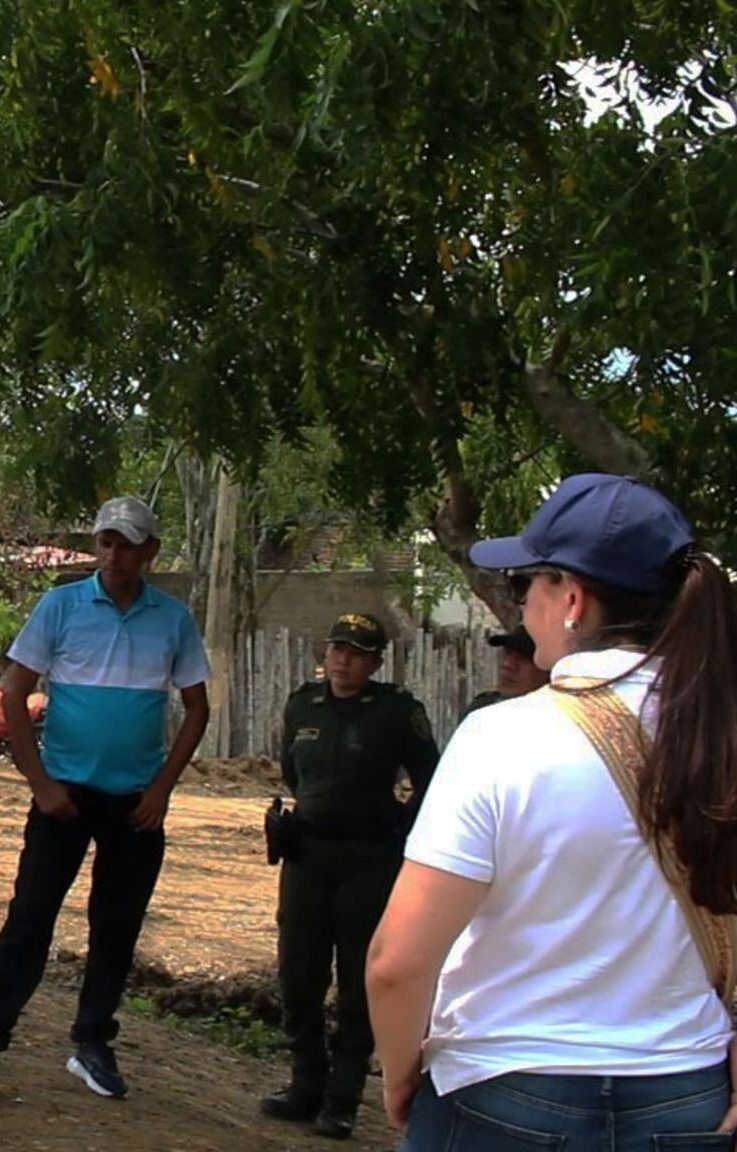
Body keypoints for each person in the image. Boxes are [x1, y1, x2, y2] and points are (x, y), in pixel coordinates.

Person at [368, 473, 737, 1149]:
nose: (519, 605)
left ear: (570, 598)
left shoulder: (503, 738)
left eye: (523, 584)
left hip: (505, 1091)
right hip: (687, 1096)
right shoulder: (721, 738)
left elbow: (398, 961)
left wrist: (400, 1074)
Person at [0, 496, 209, 1108]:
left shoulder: (172, 619)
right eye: (105, 543)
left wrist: (163, 789)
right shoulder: (60, 606)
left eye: (127, 544)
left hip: (135, 804)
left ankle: (92, 1041)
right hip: (63, 797)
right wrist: (39, 782)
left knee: (115, 929)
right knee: (28, 923)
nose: (114, 555)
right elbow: (13, 695)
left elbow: (196, 708)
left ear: (150, 552)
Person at [260, 613, 439, 1139]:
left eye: (357, 653)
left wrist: (402, 830)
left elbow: (430, 779)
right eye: (338, 648)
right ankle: (304, 1085)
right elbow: (293, 772)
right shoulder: (303, 704)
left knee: (359, 978)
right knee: (298, 972)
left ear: (376, 662)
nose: (344, 660)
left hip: (370, 858)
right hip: (308, 854)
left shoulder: (396, 713)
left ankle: (343, 1098)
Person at [459, 626, 548, 720]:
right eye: (507, 652)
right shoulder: (479, 712)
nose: (508, 664)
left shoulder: (556, 721)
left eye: (524, 657)